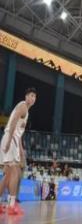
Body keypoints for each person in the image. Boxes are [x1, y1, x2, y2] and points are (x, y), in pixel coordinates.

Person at [0, 87, 37, 215]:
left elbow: (19, 134)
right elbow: (12, 123)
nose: (32, 98)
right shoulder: (23, 106)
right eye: (31, 95)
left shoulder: (26, 111)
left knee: (7, 175)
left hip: (13, 141)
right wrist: (9, 141)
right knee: (16, 172)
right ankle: (11, 205)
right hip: (10, 140)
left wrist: (21, 150)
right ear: (26, 96)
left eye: (34, 96)